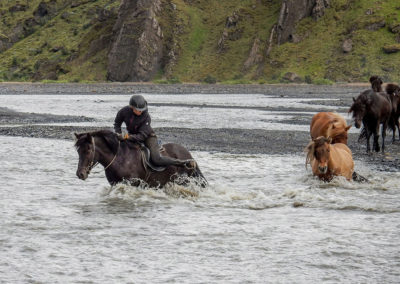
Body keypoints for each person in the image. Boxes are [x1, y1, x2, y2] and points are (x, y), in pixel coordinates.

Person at [114, 95, 192, 167]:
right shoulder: (123, 111)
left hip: (148, 137)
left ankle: (182, 163)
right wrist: (119, 134)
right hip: (131, 136)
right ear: (132, 107)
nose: (140, 112)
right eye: (138, 110)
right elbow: (117, 123)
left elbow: (142, 136)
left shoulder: (146, 117)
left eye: (142, 110)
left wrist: (127, 137)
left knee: (156, 159)